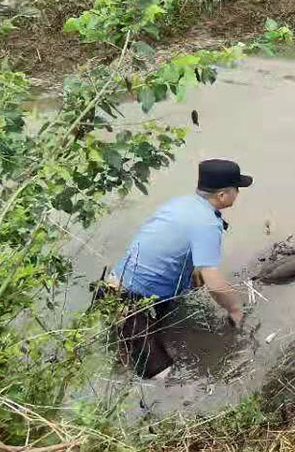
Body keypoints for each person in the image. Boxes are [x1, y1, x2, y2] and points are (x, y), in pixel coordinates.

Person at [107, 158, 252, 379]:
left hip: (114, 285)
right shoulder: (207, 223)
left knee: (138, 346)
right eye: (236, 190)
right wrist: (234, 310)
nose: (238, 195)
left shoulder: (179, 204)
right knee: (164, 379)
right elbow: (213, 283)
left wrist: (193, 269)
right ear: (222, 195)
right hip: (132, 304)